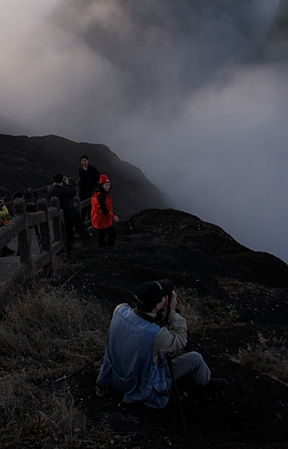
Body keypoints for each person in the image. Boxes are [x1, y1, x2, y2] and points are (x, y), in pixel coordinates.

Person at [96, 279, 226, 408]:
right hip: (138, 386)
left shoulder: (119, 310)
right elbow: (180, 340)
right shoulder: (156, 335)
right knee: (195, 359)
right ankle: (206, 383)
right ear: (158, 305)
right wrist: (172, 312)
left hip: (113, 376)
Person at [51, 173, 88, 244]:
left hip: (59, 210)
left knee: (68, 227)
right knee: (77, 221)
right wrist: (68, 184)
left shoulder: (51, 189)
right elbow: (73, 193)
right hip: (69, 210)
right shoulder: (65, 189)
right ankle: (84, 235)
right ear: (62, 180)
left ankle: (71, 239)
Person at [91, 174, 119, 247]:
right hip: (101, 219)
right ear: (101, 185)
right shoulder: (101, 197)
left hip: (99, 219)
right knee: (112, 233)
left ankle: (102, 248)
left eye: (108, 185)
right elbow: (103, 210)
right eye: (106, 185)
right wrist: (113, 216)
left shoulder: (98, 195)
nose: (108, 187)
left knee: (102, 234)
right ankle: (109, 247)